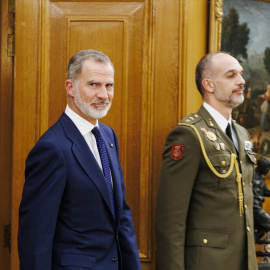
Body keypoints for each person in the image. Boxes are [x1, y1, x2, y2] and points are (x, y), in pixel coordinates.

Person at [18, 49, 142, 270]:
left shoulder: (108, 135)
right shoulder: (52, 149)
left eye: (109, 85)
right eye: (93, 84)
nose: (104, 94)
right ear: (70, 88)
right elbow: (36, 236)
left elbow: (120, 212)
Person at [155, 51, 258, 270]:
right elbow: (170, 220)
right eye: (231, 76)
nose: (241, 81)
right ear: (208, 85)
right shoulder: (189, 134)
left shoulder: (242, 133)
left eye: (240, 74)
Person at [253, 157, 270, 243]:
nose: (268, 171)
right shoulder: (252, 176)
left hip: (258, 206)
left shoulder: (261, 178)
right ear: (262, 167)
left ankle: (251, 243)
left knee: (263, 228)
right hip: (253, 207)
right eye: (267, 168)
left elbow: (266, 192)